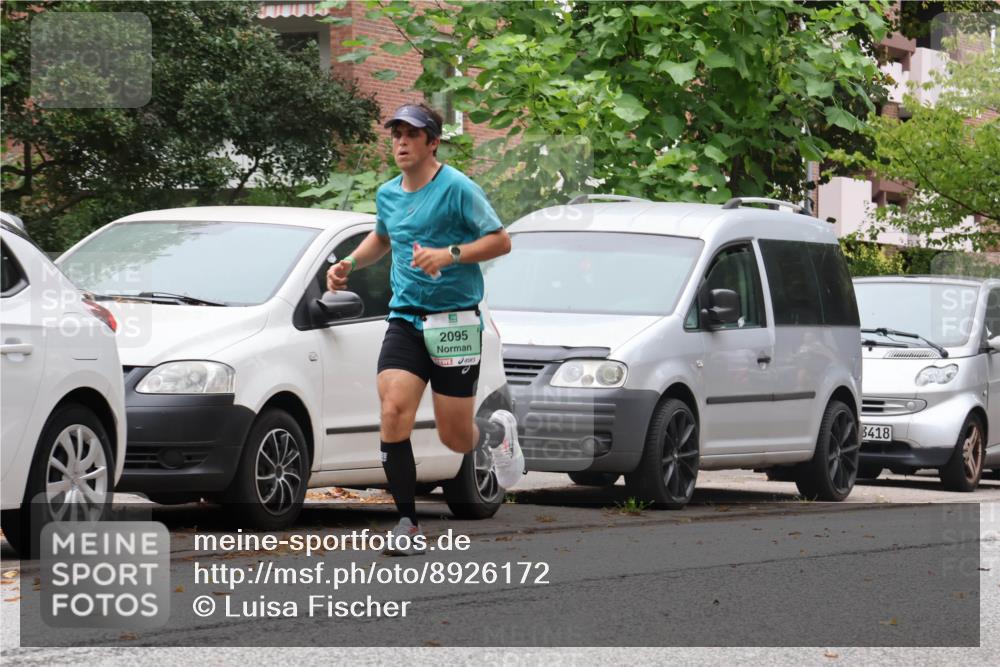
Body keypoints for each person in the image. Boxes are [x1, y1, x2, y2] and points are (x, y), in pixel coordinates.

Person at [327, 103, 523, 556]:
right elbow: (382, 237)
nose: (400, 142)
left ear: (432, 141)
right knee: (394, 409)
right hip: (406, 318)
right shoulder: (388, 194)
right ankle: (407, 522)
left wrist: (450, 254)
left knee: (455, 436)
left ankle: (494, 435)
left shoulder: (458, 188)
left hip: (454, 320)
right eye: (395, 134)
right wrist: (350, 263)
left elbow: (501, 240)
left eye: (411, 135)